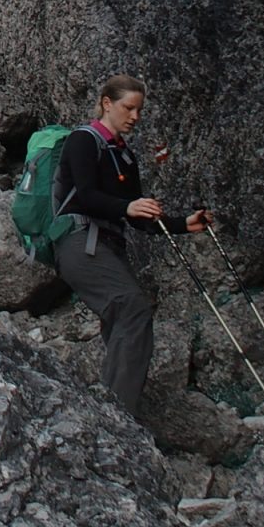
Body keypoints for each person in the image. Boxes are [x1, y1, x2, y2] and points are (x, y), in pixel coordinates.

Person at [53, 74, 210, 414]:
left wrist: (184, 224)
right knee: (132, 308)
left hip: (106, 245)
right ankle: (117, 416)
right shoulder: (83, 140)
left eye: (139, 110)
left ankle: (110, 412)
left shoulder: (123, 155)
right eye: (128, 108)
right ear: (107, 103)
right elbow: (86, 194)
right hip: (80, 241)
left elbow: (139, 217)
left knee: (122, 320)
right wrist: (126, 206)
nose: (135, 117)